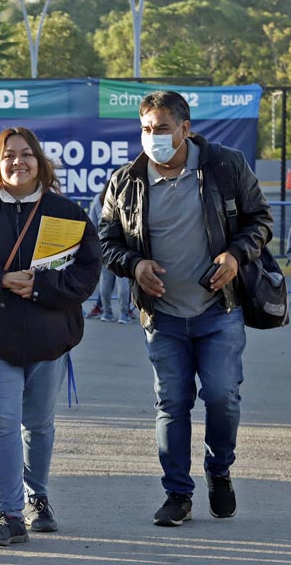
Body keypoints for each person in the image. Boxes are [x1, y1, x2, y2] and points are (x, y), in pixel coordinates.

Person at [99, 91, 273, 527]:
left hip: (219, 308)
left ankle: (219, 470)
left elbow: (261, 221)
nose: (152, 137)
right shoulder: (126, 182)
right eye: (145, 129)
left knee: (222, 396)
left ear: (185, 128)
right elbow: (107, 241)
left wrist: (235, 255)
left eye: (161, 128)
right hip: (163, 316)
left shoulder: (225, 166)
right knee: (172, 403)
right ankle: (177, 494)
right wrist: (135, 265)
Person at [0, 127, 101, 547]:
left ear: (40, 161)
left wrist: (39, 288)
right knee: (3, 425)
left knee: (40, 426)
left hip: (50, 343)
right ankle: (11, 513)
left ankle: (39, 497)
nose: (18, 161)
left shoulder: (67, 212)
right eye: (8, 155)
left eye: (26, 154)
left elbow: (87, 274)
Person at [86, 180, 132, 324]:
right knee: (122, 282)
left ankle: (107, 312)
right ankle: (124, 314)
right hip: (122, 246)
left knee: (105, 282)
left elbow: (92, 224)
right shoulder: (127, 197)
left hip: (103, 245)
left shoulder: (99, 199)